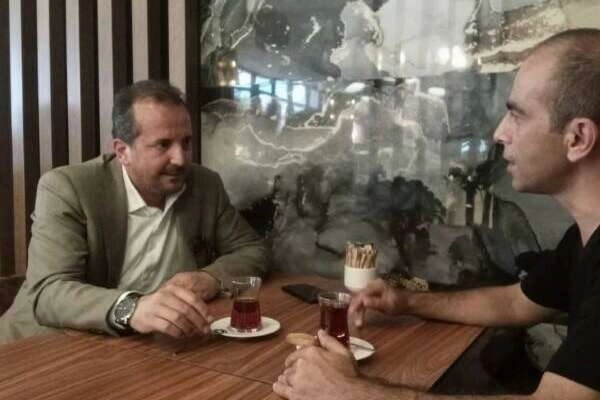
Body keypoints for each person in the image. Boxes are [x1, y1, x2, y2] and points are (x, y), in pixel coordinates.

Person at [274, 28, 600, 400]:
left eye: (517, 115)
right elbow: (515, 303)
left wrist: (346, 391)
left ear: (578, 138)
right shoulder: (585, 237)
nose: (499, 133)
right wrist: (406, 302)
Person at [0, 80, 269, 344]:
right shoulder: (68, 188)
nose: (180, 159)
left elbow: (252, 250)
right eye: (163, 145)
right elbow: (49, 293)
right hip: (40, 347)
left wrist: (210, 278)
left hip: (144, 347)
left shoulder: (205, 185)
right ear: (122, 151)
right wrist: (132, 308)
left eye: (186, 143)